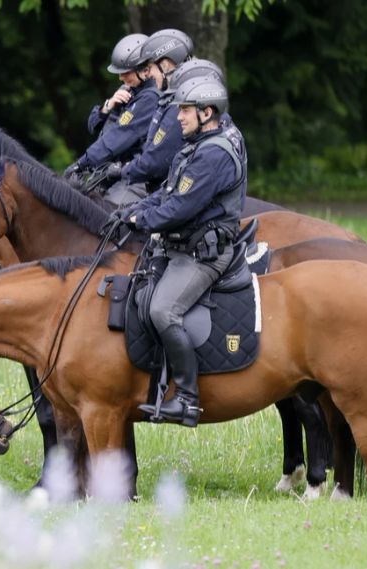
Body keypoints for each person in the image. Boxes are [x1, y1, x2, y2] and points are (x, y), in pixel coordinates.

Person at [125, 76, 248, 427]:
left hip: (204, 255)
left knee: (164, 310)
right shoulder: (196, 144)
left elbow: (180, 208)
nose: (178, 117)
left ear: (207, 112)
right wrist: (129, 210)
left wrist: (141, 220)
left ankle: (188, 399)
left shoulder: (213, 154)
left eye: (185, 110)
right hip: (180, 246)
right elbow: (167, 191)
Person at [109, 29, 194, 206]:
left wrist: (122, 170)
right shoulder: (173, 99)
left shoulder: (179, 106)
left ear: (166, 65)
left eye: (150, 68)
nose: (148, 74)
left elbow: (155, 162)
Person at [64, 34, 159, 185]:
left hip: (136, 178)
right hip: (112, 172)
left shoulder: (150, 98)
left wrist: (81, 164)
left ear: (144, 70)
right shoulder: (131, 91)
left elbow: (118, 135)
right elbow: (93, 127)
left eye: (126, 72)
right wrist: (108, 108)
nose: (121, 78)